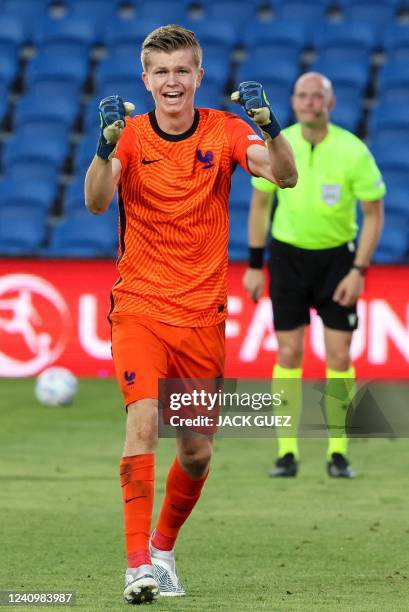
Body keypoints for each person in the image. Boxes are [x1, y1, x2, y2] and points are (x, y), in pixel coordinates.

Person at [85, 24, 297, 605]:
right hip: (140, 307)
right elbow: (98, 200)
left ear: (199, 77)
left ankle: (163, 549)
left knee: (197, 452)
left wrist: (270, 127)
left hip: (203, 314)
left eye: (183, 71)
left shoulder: (224, 130)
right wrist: (102, 150)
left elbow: (285, 173)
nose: (173, 82)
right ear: (145, 79)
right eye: (162, 72)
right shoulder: (126, 135)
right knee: (144, 420)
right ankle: (135, 567)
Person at [243, 72, 385, 480]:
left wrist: (359, 270)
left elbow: (374, 215)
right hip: (287, 259)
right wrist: (255, 265)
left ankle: (337, 453)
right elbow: (258, 208)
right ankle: (286, 453)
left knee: (339, 356)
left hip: (338, 262)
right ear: (293, 101)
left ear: (331, 103)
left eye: (317, 96)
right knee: (288, 353)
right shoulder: (277, 143)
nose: (309, 103)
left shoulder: (353, 151)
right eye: (302, 96)